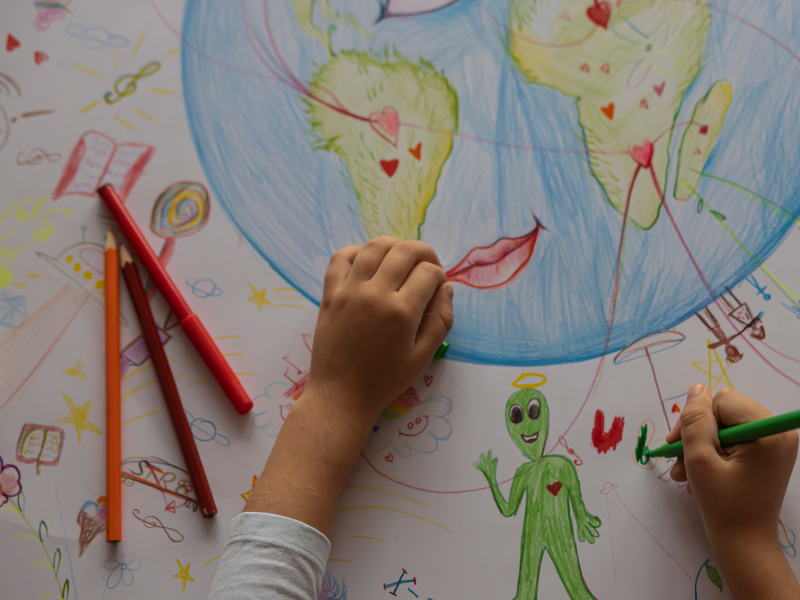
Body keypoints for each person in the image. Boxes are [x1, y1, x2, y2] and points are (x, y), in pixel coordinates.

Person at [208, 237, 800, 600]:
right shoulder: (533, 471)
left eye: (529, 413)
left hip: (559, 523)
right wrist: (749, 546)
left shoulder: (557, 470)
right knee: (527, 580)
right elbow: (514, 506)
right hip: (539, 528)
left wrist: (337, 396)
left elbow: (571, 501)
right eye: (522, 414)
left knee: (570, 579)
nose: (527, 423)